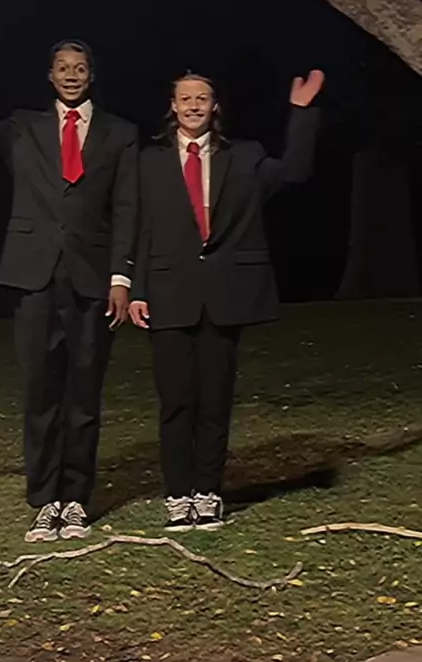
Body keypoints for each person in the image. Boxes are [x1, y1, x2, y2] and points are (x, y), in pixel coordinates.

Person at [0, 21, 138, 542]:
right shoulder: (22, 127)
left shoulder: (120, 133)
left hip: (92, 279)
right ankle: (46, 500)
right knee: (41, 393)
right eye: (62, 69)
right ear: (50, 76)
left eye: (80, 68)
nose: (71, 76)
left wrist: (122, 276)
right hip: (34, 275)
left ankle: (75, 501)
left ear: (91, 76)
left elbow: (127, 208)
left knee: (84, 395)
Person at [129, 69, 323, 531]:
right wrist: (135, 289)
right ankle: (178, 495)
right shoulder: (148, 161)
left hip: (224, 296)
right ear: (173, 106)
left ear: (214, 106)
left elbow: (295, 171)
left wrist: (301, 113)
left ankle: (207, 492)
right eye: (185, 99)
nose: (194, 105)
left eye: (202, 98)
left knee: (215, 401)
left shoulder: (245, 157)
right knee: (177, 402)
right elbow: (138, 227)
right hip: (168, 293)